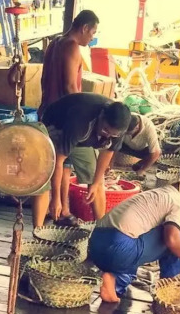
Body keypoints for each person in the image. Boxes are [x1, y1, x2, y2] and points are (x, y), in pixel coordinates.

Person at [87, 166, 180, 303]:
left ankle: (114, 284)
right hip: (118, 249)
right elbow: (173, 240)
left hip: (96, 245)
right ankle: (169, 289)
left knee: (140, 235)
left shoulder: (157, 193)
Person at [33, 93, 131, 229]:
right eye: (105, 130)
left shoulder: (119, 128)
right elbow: (58, 162)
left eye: (113, 134)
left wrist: (95, 183)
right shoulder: (82, 119)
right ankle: (37, 231)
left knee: (97, 182)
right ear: (101, 116)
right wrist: (55, 199)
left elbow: (107, 153)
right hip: (55, 128)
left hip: (82, 140)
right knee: (44, 179)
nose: (107, 135)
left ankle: (100, 228)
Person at [39, 9, 99, 222]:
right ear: (84, 28)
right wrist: (84, 114)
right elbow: (70, 86)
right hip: (64, 117)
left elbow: (44, 80)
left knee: (61, 164)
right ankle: (101, 223)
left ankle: (62, 209)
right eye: (92, 33)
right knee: (92, 170)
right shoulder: (72, 48)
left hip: (46, 111)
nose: (92, 38)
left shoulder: (55, 43)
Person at [116, 111, 161, 175]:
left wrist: (143, 169)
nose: (126, 134)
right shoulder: (125, 119)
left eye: (128, 133)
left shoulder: (148, 126)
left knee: (156, 155)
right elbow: (113, 145)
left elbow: (156, 153)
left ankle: (141, 163)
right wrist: (109, 165)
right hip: (125, 146)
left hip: (142, 150)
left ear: (137, 127)